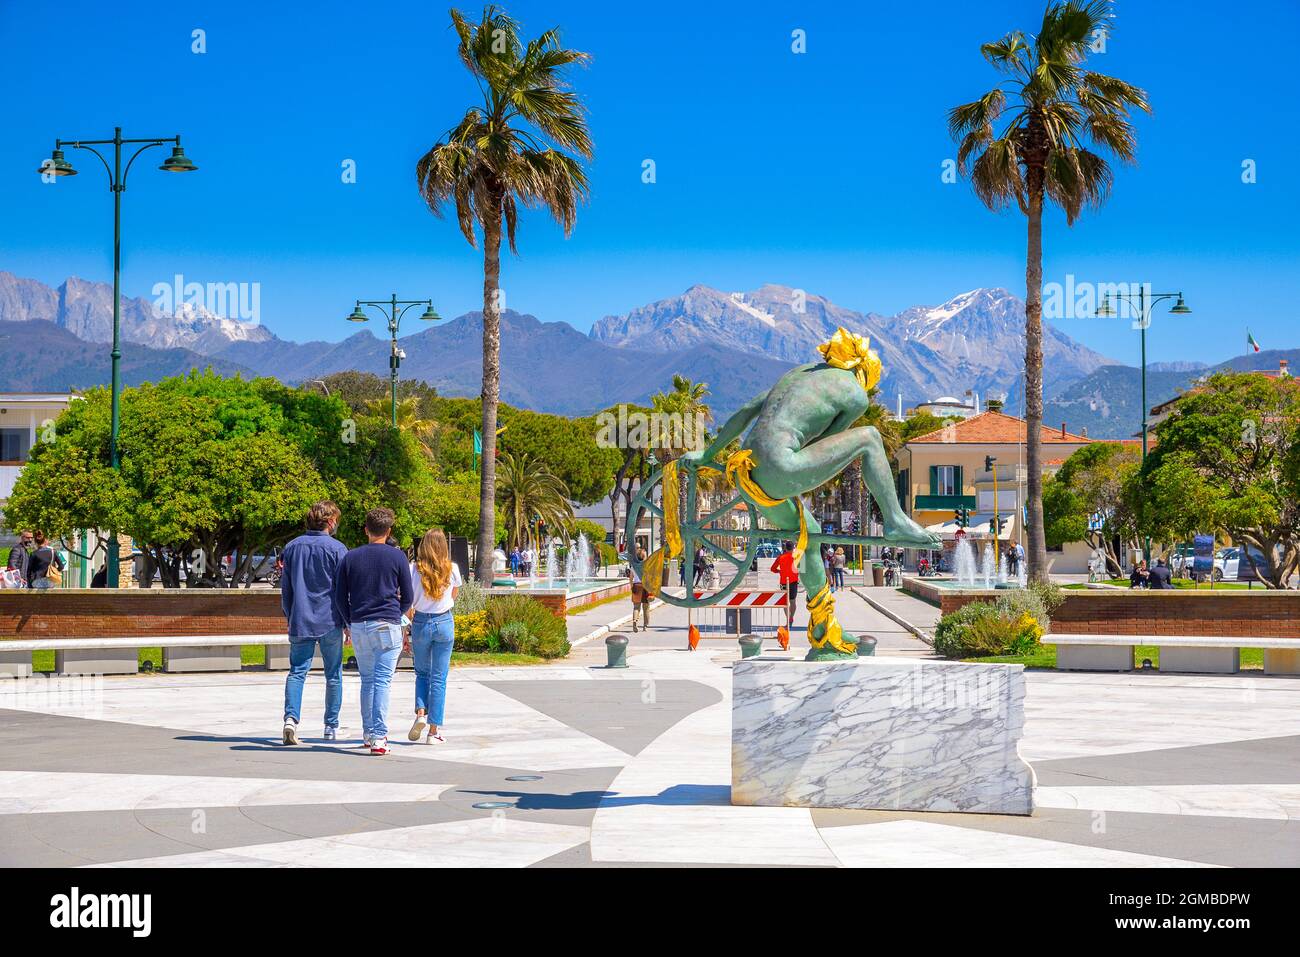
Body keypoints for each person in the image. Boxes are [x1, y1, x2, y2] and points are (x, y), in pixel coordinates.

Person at [333, 507, 413, 755]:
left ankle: (368, 733)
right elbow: (408, 596)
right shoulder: (397, 557)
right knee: (381, 682)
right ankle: (379, 736)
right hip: (386, 624)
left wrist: (350, 620)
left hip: (359, 625)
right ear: (389, 531)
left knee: (367, 681)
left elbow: (338, 596)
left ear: (366, 529)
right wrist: (395, 613)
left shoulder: (350, 557)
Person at [279, 501, 350, 745]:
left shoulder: (292, 547)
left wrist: (290, 615)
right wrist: (346, 620)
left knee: (297, 672)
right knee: (333, 675)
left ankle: (291, 719)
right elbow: (343, 590)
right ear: (330, 521)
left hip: (300, 618)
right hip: (330, 619)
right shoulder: (338, 549)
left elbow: (286, 589)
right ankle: (331, 726)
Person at [406, 528, 461, 745]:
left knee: (421, 673)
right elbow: (455, 594)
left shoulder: (413, 569)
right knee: (439, 678)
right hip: (444, 621)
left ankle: (420, 712)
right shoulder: (452, 568)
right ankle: (433, 731)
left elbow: (408, 599)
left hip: (421, 622)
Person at [771, 540, 799, 628]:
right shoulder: (797, 557)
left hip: (783, 582)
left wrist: (779, 571)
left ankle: (788, 619)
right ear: (793, 548)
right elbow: (802, 569)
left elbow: (772, 568)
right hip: (794, 582)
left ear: (785, 548)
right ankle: (791, 617)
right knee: (793, 601)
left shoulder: (780, 557)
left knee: (785, 603)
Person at [628, 547, 651, 631]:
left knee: (636, 607)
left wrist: (631, 587)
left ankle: (635, 621)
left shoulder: (634, 566)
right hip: (645, 587)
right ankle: (645, 626)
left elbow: (630, 578)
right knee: (646, 607)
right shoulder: (647, 566)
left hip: (636, 586)